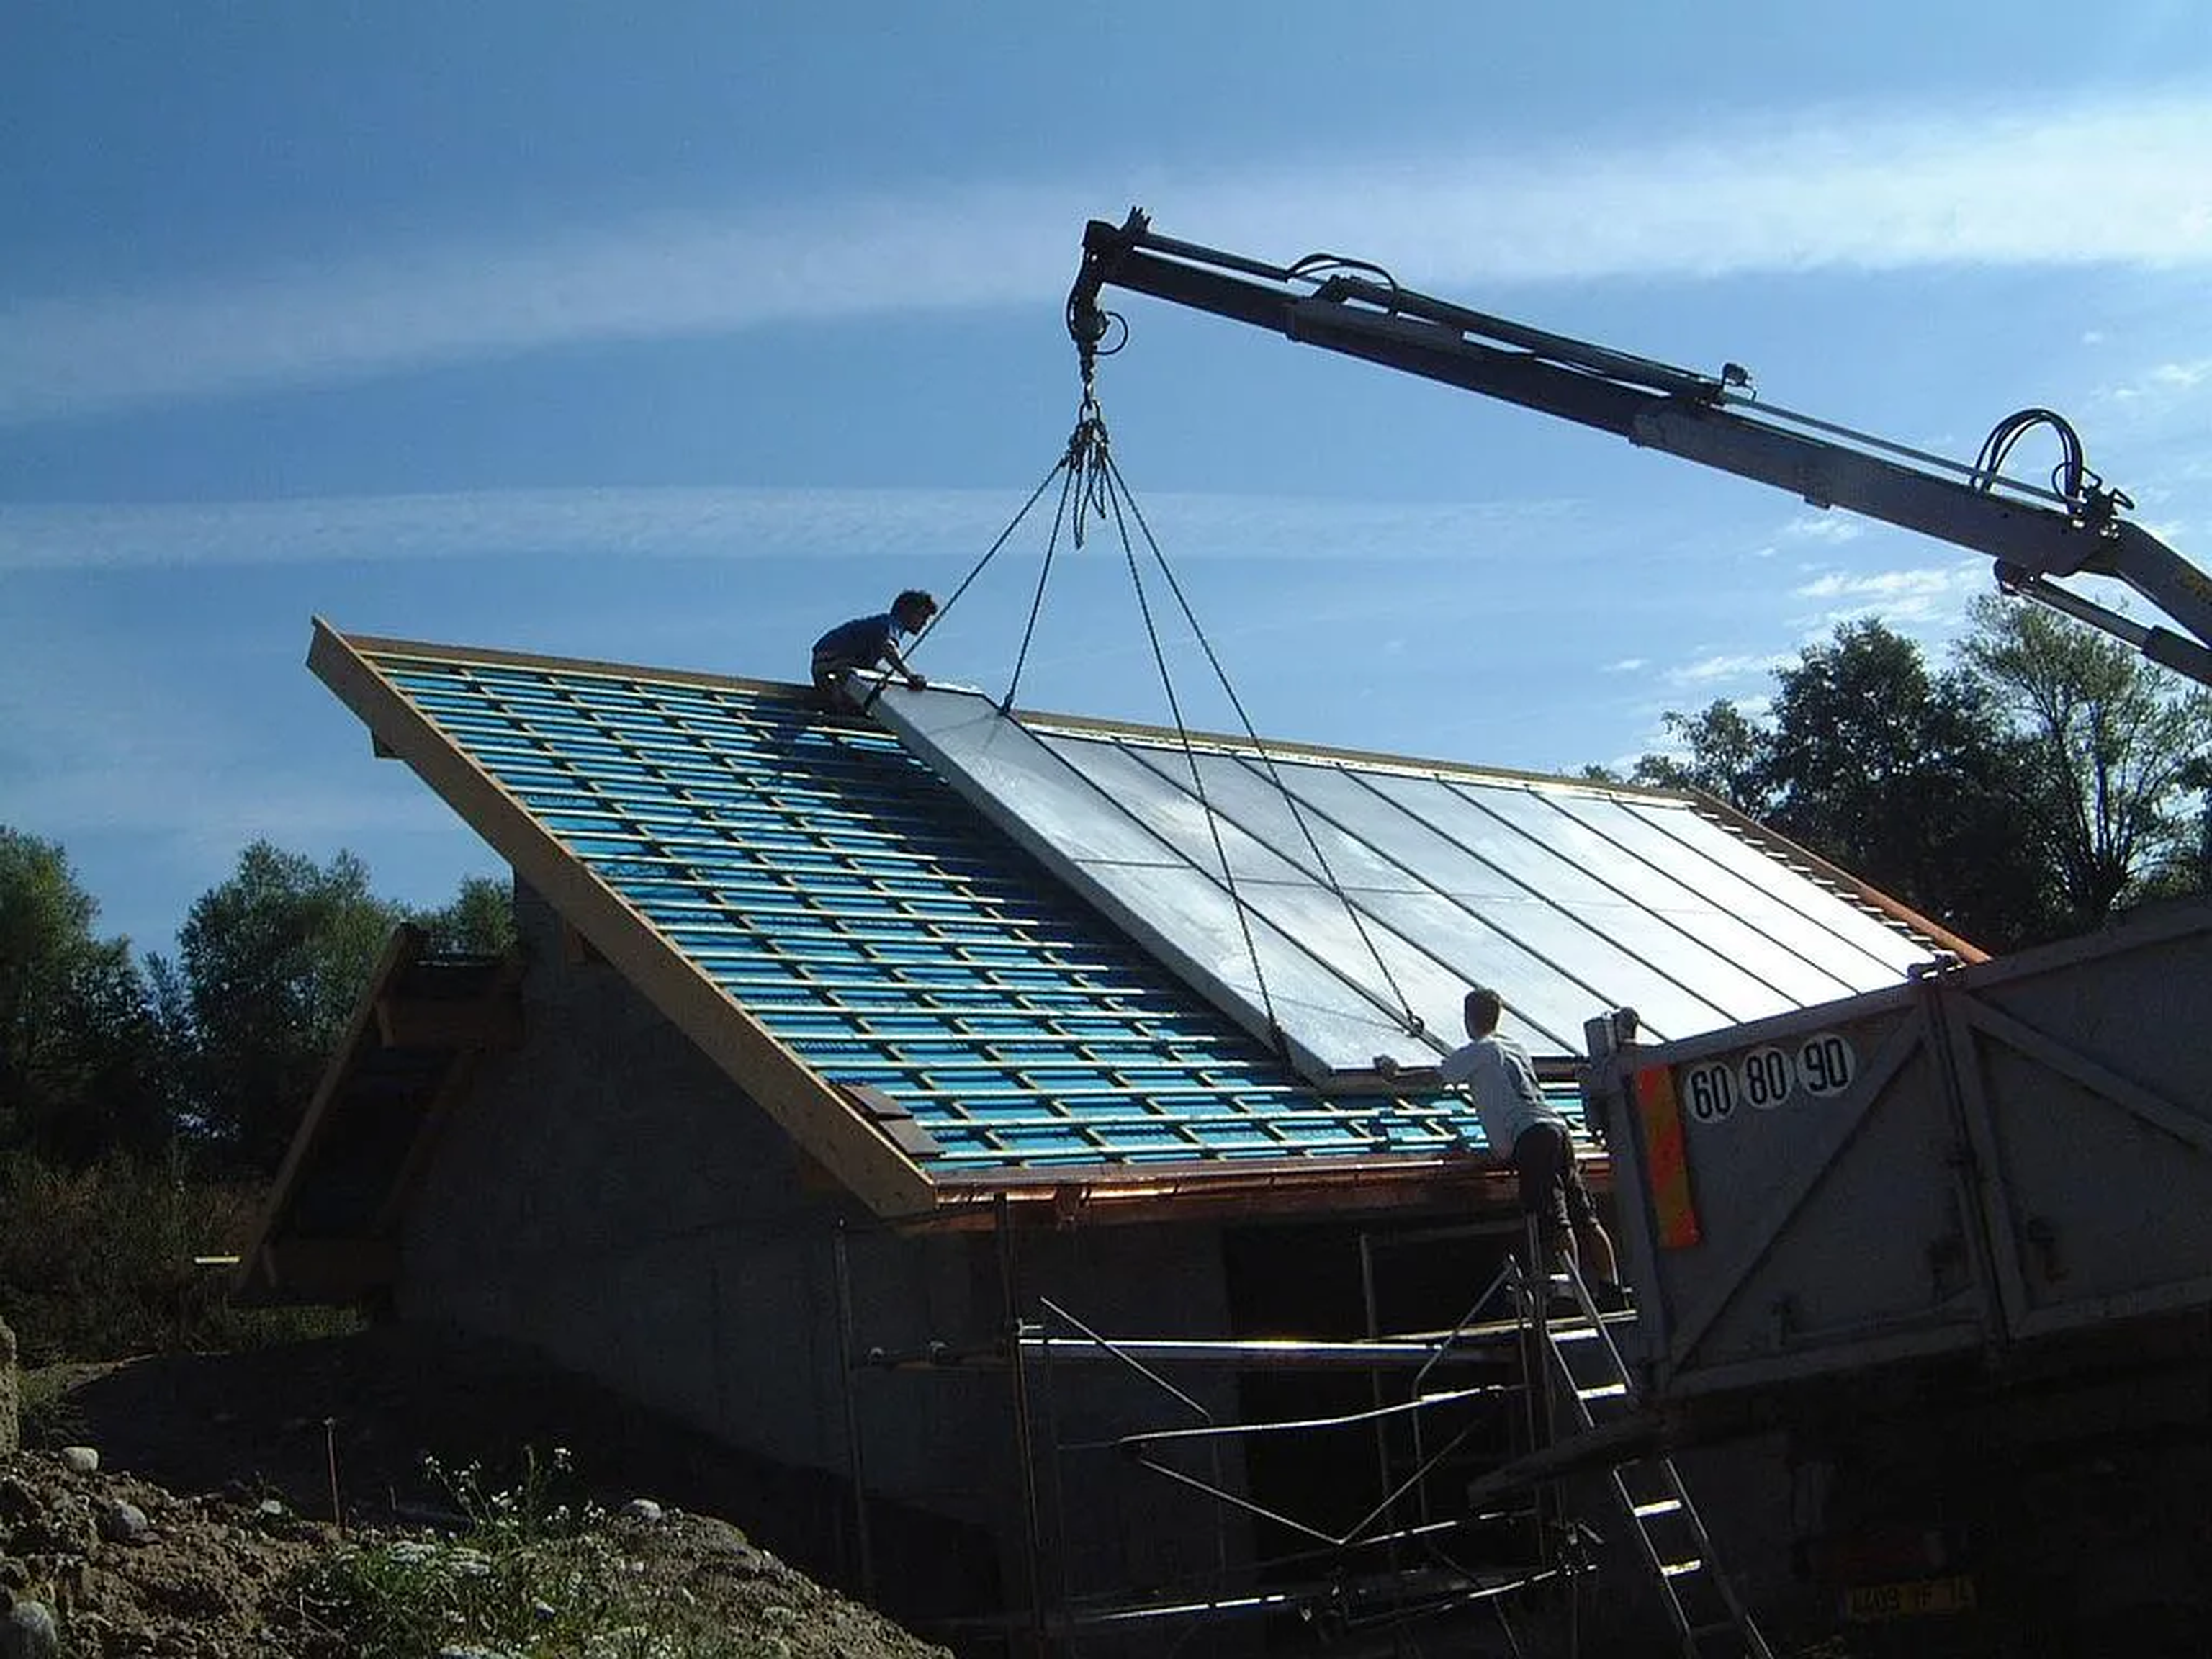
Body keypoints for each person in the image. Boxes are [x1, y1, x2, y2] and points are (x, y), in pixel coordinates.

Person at [1375, 986, 1626, 1310]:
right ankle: (1611, 1287)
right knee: (1586, 1215)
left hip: (1532, 1137)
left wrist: (1394, 1077)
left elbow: (1435, 1079)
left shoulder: (1479, 1050)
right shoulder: (1516, 1047)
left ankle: (1572, 1294)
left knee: (1555, 1218)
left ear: (1469, 1019)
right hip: (1559, 1130)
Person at [809, 590, 937, 713]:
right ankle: (844, 702)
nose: (925, 622)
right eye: (923, 616)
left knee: (887, 678)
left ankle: (847, 703)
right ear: (909, 612)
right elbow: (888, 648)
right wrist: (909, 675)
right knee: (885, 683)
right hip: (830, 666)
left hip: (827, 665)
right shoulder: (890, 624)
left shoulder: (884, 625)